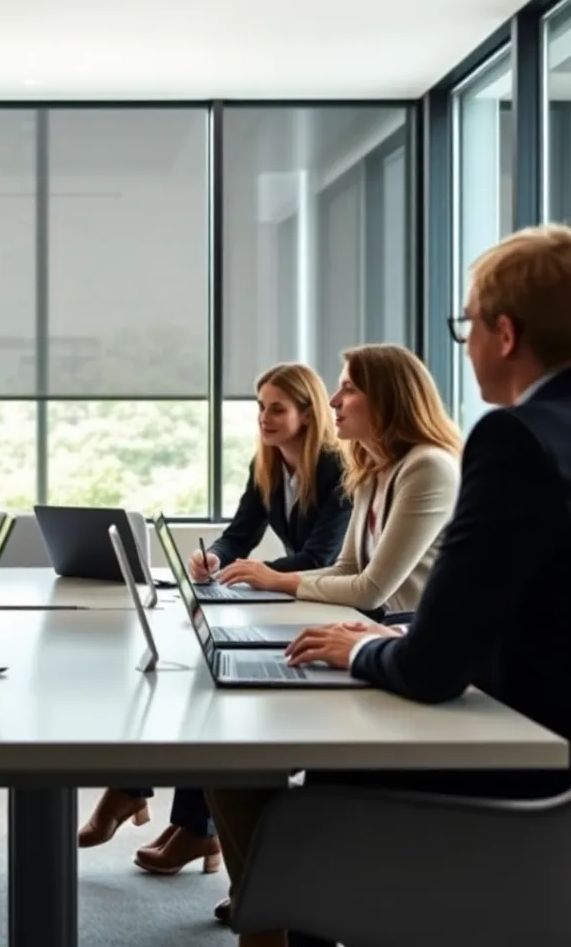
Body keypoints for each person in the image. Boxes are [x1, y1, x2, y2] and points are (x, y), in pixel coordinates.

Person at [206, 224, 571, 947]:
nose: (462, 345)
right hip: (541, 748)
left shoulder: (514, 439)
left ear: (503, 333)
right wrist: (387, 633)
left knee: (287, 774)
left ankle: (286, 917)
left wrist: (363, 650)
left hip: (519, 762)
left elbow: (434, 667)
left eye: (466, 324)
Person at [79, 363, 351, 874]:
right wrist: (217, 560)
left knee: (217, 686)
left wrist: (259, 572)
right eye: (260, 407)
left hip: (331, 604)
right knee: (200, 674)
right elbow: (237, 533)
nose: (264, 419)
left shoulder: (338, 467)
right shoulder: (267, 464)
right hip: (294, 601)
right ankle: (184, 822)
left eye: (277, 408)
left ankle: (179, 819)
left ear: (309, 414)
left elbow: (322, 556)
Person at [220, 344, 462, 620]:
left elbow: (370, 589)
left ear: (386, 399)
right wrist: (262, 577)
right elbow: (346, 569)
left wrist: (275, 579)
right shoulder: (369, 469)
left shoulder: (428, 466)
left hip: (418, 636)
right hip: (378, 626)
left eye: (349, 389)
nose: (333, 401)